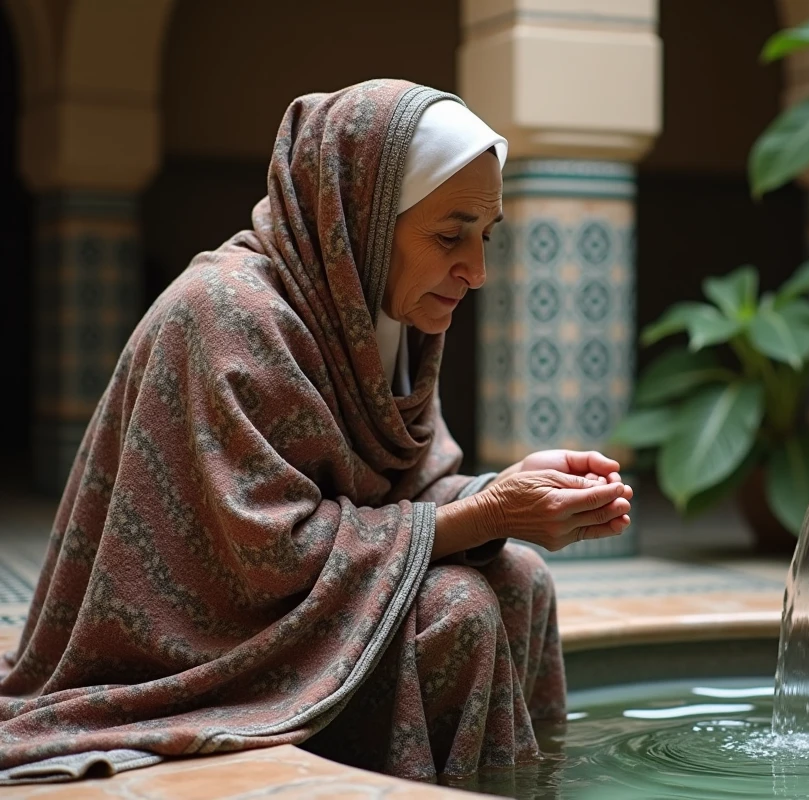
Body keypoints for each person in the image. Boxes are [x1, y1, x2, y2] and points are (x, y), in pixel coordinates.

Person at [0, 79, 633, 786]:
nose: (476, 271)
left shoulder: (379, 316)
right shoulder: (228, 316)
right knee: (458, 615)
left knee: (520, 581)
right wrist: (488, 513)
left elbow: (410, 485)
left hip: (321, 594)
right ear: (356, 213)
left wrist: (508, 492)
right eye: (451, 235)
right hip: (204, 636)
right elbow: (270, 554)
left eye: (484, 237)